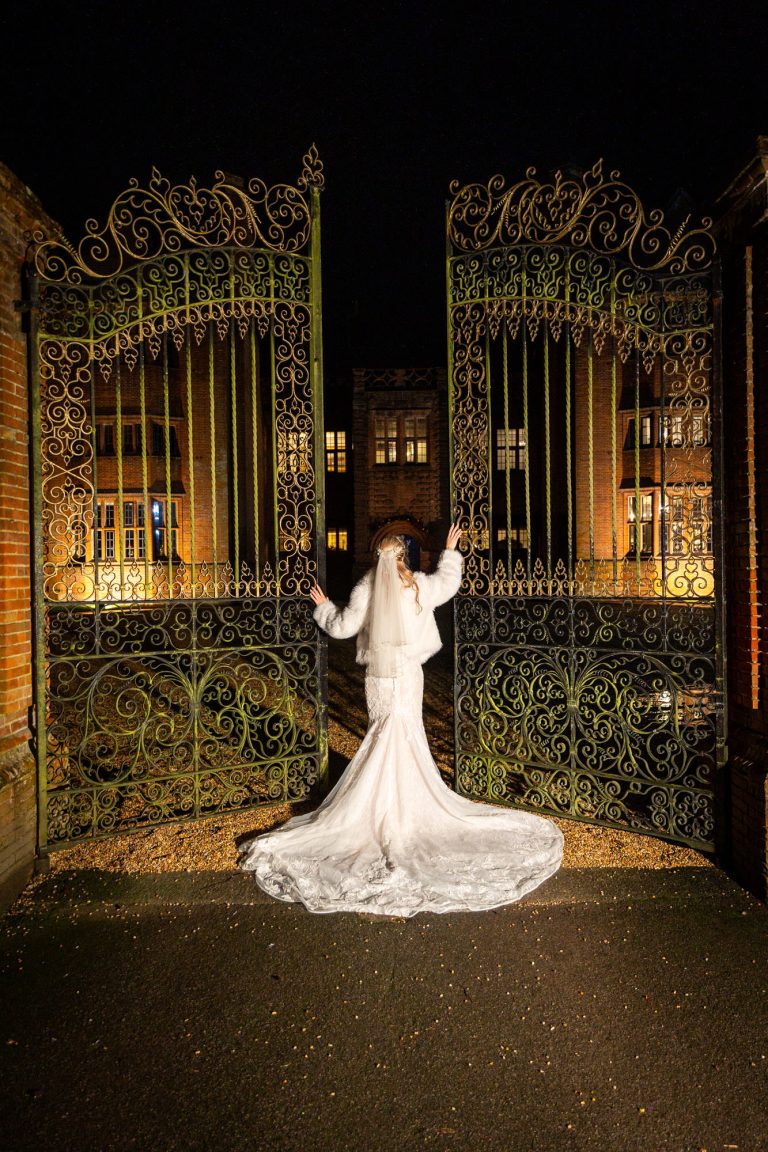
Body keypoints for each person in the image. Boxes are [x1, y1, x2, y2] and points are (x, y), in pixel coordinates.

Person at [238, 524, 563, 915]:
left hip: (379, 678)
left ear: (378, 556)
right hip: (408, 675)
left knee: (383, 732)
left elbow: (343, 627)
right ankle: (405, 806)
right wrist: (449, 550)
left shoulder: (367, 588)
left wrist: (323, 606)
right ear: (403, 557)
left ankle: (376, 808)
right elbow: (449, 584)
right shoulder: (418, 586)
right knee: (407, 732)